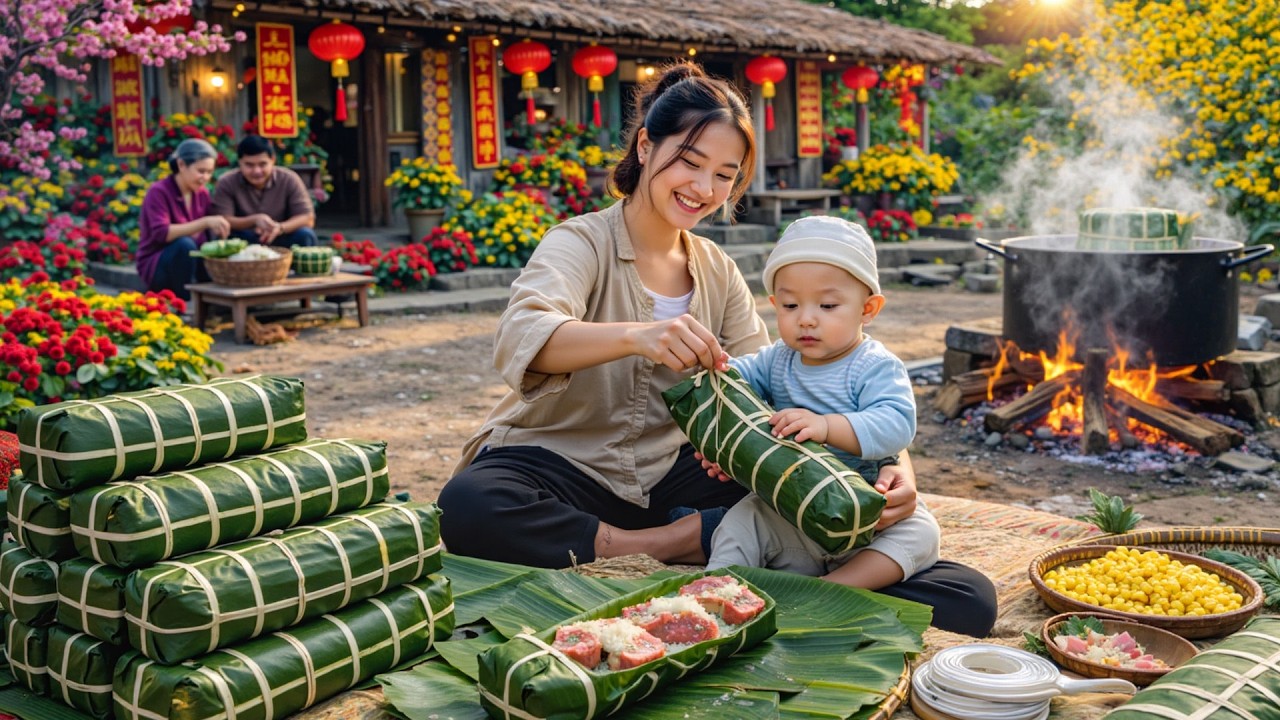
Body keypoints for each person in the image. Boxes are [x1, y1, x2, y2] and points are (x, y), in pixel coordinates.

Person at [437, 63, 996, 637]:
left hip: (677, 473)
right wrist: (637, 335)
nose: (703, 189)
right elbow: (521, 335)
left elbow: (779, 391)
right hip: (563, 463)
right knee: (470, 504)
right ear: (646, 145)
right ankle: (666, 545)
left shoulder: (717, 270)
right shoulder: (580, 242)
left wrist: (893, 467)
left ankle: (749, 565)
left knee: (963, 598)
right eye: (689, 160)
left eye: (725, 175)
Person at [704, 215, 941, 595]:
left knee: (922, 533)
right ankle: (717, 591)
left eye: (828, 305)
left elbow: (897, 424)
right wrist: (711, 366)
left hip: (865, 514)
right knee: (741, 520)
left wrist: (828, 426)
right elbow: (731, 379)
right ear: (773, 305)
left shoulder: (873, 365)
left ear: (868, 309)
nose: (807, 319)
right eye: (791, 305)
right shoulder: (776, 360)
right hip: (794, 512)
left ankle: (831, 587)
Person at [136, 138, 229, 302]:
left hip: (191, 261)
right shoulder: (158, 191)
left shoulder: (202, 193)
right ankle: (183, 303)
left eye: (209, 172)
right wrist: (205, 222)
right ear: (181, 165)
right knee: (184, 245)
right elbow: (162, 233)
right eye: (201, 171)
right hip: (157, 263)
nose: (205, 177)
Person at [209, 135, 317, 247]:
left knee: (305, 234)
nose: (256, 171)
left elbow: (307, 218)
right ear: (240, 162)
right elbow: (222, 219)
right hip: (243, 239)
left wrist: (280, 227)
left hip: (280, 235)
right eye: (249, 165)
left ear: (273, 160)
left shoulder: (289, 179)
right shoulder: (226, 182)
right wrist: (254, 220)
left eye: (262, 164)